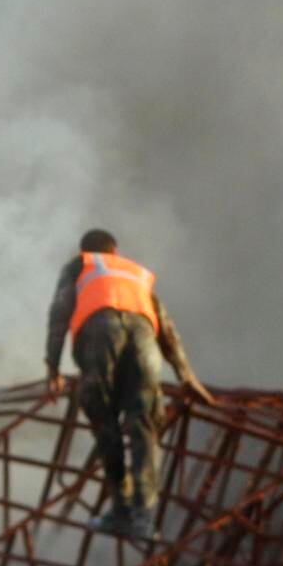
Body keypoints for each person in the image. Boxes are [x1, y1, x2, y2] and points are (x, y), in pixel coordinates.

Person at [45, 229, 213, 541]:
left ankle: (120, 509)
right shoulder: (136, 274)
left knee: (104, 421)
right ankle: (144, 519)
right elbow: (167, 329)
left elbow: (59, 314)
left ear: (86, 250)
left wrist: (52, 368)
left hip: (100, 334)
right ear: (116, 250)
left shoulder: (80, 265)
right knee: (144, 424)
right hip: (144, 341)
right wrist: (186, 376)